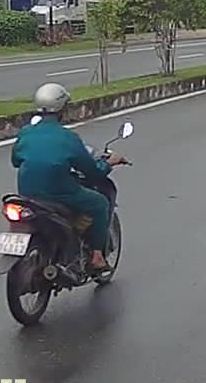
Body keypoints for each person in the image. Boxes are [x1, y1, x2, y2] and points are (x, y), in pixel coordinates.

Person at [11, 83, 126, 272]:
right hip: (59, 194)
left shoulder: (26, 133)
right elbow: (92, 172)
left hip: (27, 194)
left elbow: (16, 161)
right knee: (100, 203)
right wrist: (109, 163)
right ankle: (97, 258)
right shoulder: (68, 138)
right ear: (62, 108)